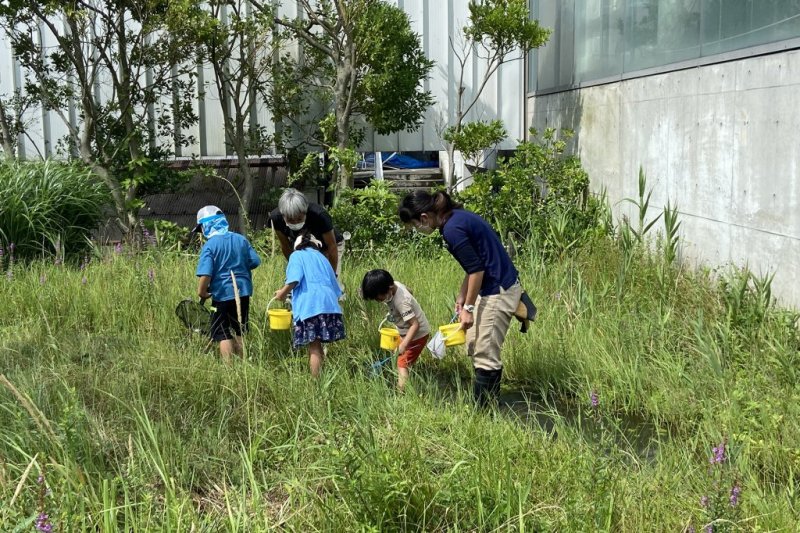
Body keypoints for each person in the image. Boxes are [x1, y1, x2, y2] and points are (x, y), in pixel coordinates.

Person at [398, 190, 535, 407]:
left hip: (497, 290)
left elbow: (477, 270)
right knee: (474, 343)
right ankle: (484, 406)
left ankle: (484, 413)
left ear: (424, 217)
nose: (418, 230)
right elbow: (474, 264)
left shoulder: (452, 229)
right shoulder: (456, 218)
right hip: (490, 286)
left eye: (415, 226)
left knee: (485, 353)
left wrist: (469, 307)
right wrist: (463, 297)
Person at [195, 205, 261, 364]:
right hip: (243, 293)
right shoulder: (240, 239)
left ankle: (229, 368)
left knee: (222, 332)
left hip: (222, 294)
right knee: (240, 329)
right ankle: (243, 363)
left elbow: (206, 274)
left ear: (206, 226)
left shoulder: (210, 246)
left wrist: (202, 292)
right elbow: (255, 261)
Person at [274, 231, 345, 377]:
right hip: (330, 306)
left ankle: (315, 383)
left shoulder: (296, 256)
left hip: (311, 307)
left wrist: (282, 293)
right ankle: (321, 375)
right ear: (315, 245)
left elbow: (294, 279)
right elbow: (335, 285)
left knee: (314, 346)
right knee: (318, 344)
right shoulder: (322, 258)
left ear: (297, 246)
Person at [361, 269, 431, 392]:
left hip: (417, 335)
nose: (378, 301)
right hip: (408, 332)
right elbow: (409, 290)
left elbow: (415, 325)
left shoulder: (401, 302)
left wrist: (404, 344)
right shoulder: (396, 285)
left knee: (402, 364)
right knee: (401, 360)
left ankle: (400, 393)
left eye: (379, 298)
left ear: (389, 288)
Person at [270, 188, 345, 282]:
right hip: (301, 248)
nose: (295, 222)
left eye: (299, 219)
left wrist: (331, 276)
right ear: (283, 215)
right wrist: (296, 267)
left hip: (328, 247)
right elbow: (285, 246)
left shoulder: (319, 215)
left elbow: (332, 246)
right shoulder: (276, 218)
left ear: (305, 212)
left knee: (328, 282)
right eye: (290, 219)